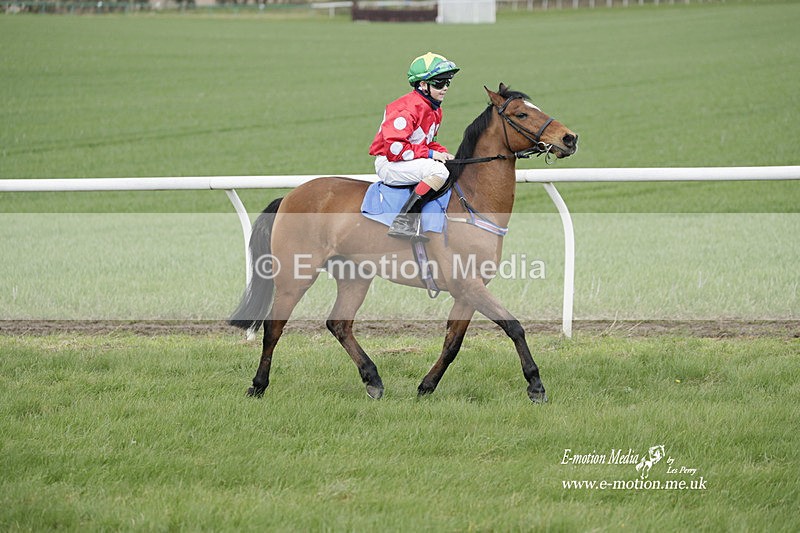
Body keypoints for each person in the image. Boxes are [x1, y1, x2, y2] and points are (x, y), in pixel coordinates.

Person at [369, 52, 460, 241]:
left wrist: (442, 152)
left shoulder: (434, 108)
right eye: (439, 83)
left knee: (448, 167)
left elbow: (425, 142)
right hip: (390, 163)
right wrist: (431, 154)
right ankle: (403, 222)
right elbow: (395, 149)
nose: (445, 88)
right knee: (439, 172)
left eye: (447, 83)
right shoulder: (407, 109)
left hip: (405, 160)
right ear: (422, 85)